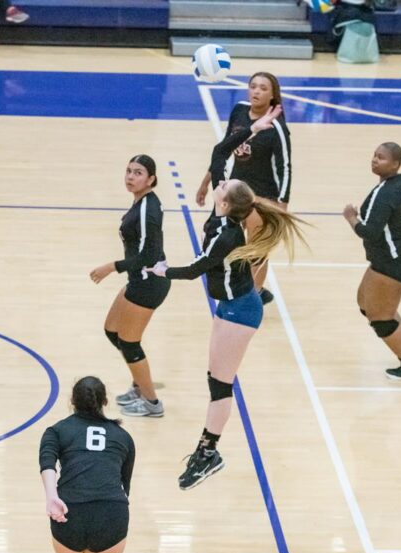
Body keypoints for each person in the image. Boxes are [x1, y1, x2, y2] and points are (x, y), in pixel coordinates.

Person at [150, 106, 307, 489]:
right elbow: (220, 154)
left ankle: (208, 451)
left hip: (241, 309)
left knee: (221, 383)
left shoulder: (228, 234)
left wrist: (161, 271)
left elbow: (196, 269)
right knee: (215, 379)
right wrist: (251, 129)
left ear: (224, 201)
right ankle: (207, 450)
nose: (219, 183)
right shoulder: (227, 213)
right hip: (230, 306)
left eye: (221, 186)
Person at [195, 72, 292, 306]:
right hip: (236, 190)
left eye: (263, 88)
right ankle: (244, 284)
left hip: (263, 196)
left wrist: (282, 203)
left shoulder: (277, 128)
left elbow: (285, 166)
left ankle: (255, 296)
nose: (256, 91)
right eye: (253, 86)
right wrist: (206, 181)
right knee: (214, 234)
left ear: (272, 96)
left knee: (257, 249)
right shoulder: (239, 110)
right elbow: (224, 148)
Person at [89, 155, 171, 418]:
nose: (131, 177)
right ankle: (140, 383)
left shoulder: (149, 209)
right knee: (113, 331)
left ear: (151, 179)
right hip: (138, 278)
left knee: (130, 342)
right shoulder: (140, 202)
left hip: (149, 282)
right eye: (128, 171)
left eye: (138, 173)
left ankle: (151, 403)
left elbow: (149, 254)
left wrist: (112, 266)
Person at [343, 142, 401, 381]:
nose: (375, 160)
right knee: (364, 302)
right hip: (394, 255)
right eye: (374, 156)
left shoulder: (386, 192)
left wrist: (351, 218)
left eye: (381, 158)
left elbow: (369, 232)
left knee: (380, 317)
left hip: (394, 260)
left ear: (396, 164)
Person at [39, 376, 135, 553]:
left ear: (72, 401)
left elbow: (47, 462)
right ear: (105, 402)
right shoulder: (123, 437)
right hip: (110, 512)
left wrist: (51, 496)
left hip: (69, 511)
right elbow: (125, 486)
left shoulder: (56, 431)